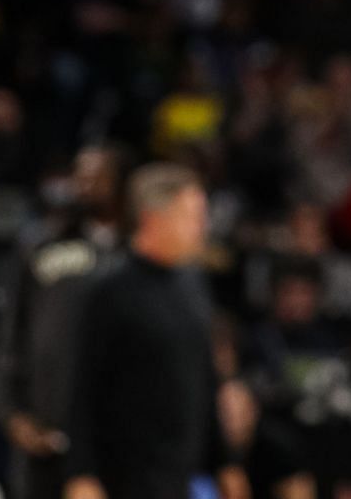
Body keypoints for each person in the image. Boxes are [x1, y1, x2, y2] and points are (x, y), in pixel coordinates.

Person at [62, 164, 244, 499]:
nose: (201, 227)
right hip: (121, 474)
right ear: (152, 219)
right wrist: (81, 474)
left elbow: (206, 378)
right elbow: (83, 385)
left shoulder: (193, 284)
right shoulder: (109, 289)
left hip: (178, 473)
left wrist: (226, 462)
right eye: (191, 216)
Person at [0, 145, 125, 499]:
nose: (85, 185)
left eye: (97, 177)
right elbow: (11, 332)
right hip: (44, 433)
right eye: (80, 176)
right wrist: (11, 412)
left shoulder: (136, 252)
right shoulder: (40, 244)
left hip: (114, 441)